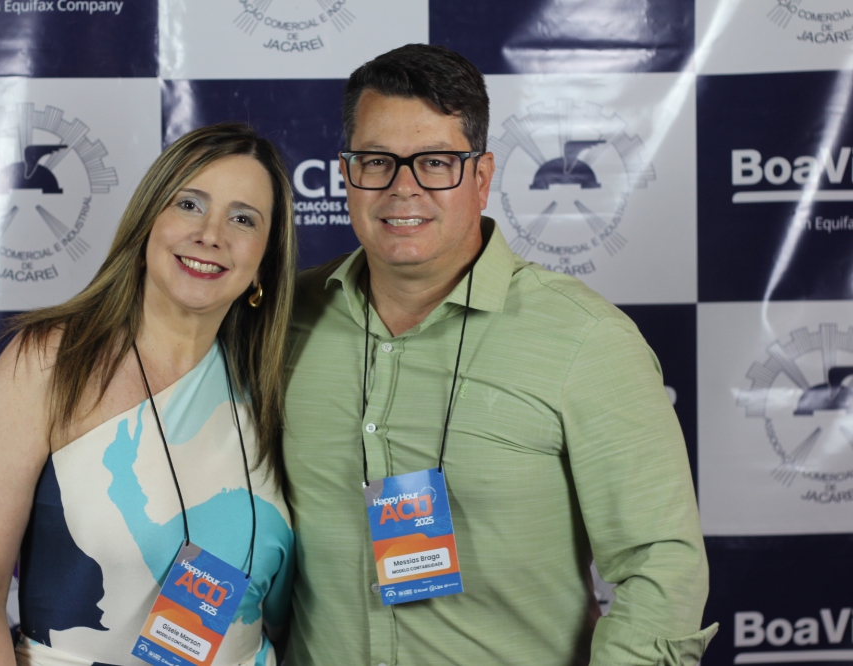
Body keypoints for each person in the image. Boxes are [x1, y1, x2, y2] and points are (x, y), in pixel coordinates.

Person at [283, 44, 718, 665]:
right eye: (377, 161)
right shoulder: (282, 323)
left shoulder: (586, 338)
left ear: (482, 178)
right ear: (347, 175)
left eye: (435, 162)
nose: (403, 188)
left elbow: (662, 566)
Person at [0, 123, 297, 666]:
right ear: (147, 222)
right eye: (189, 205)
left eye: (243, 219)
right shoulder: (49, 362)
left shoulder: (275, 383)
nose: (211, 234)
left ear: (264, 263)